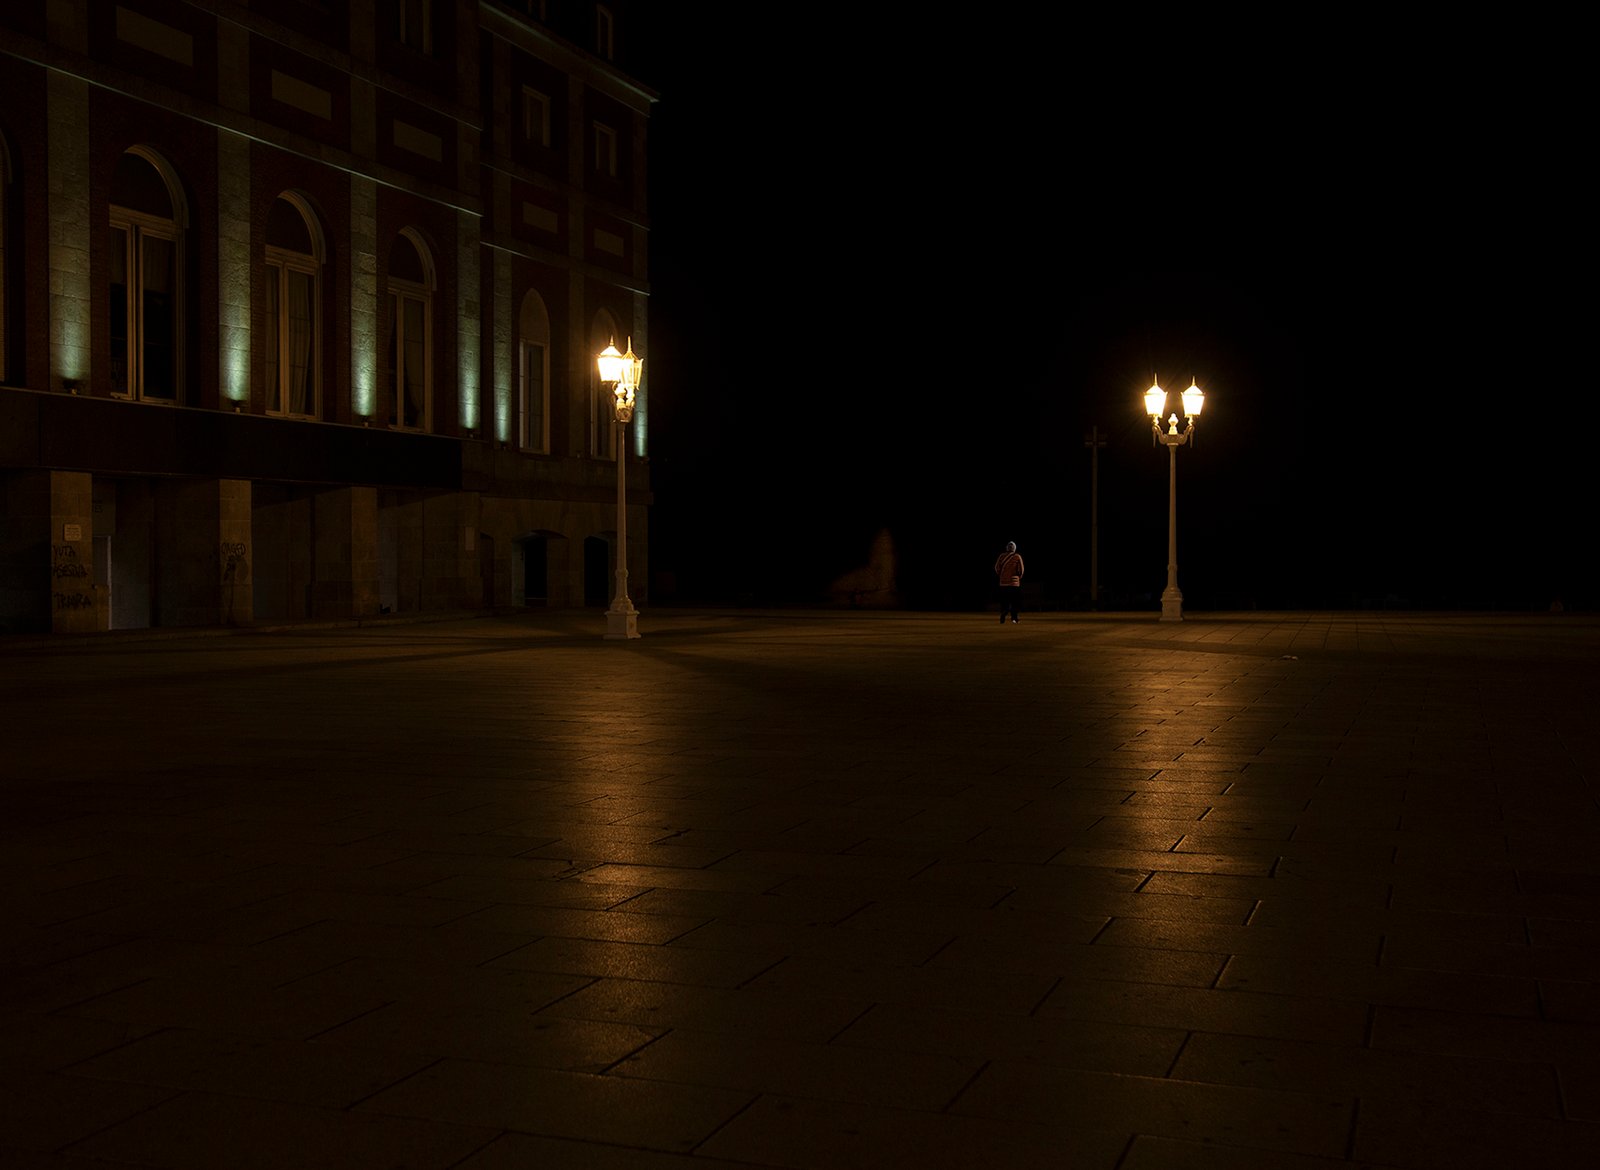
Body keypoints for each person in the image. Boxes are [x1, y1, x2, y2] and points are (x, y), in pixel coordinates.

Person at [994, 541, 1024, 623]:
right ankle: (1014, 618)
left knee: (1004, 601)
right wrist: (1018, 577)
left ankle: (1004, 612)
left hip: (1003, 583)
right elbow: (1021, 570)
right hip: (1014, 584)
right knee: (1015, 602)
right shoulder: (1017, 556)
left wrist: (1002, 575)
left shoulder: (1001, 556)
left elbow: (996, 568)